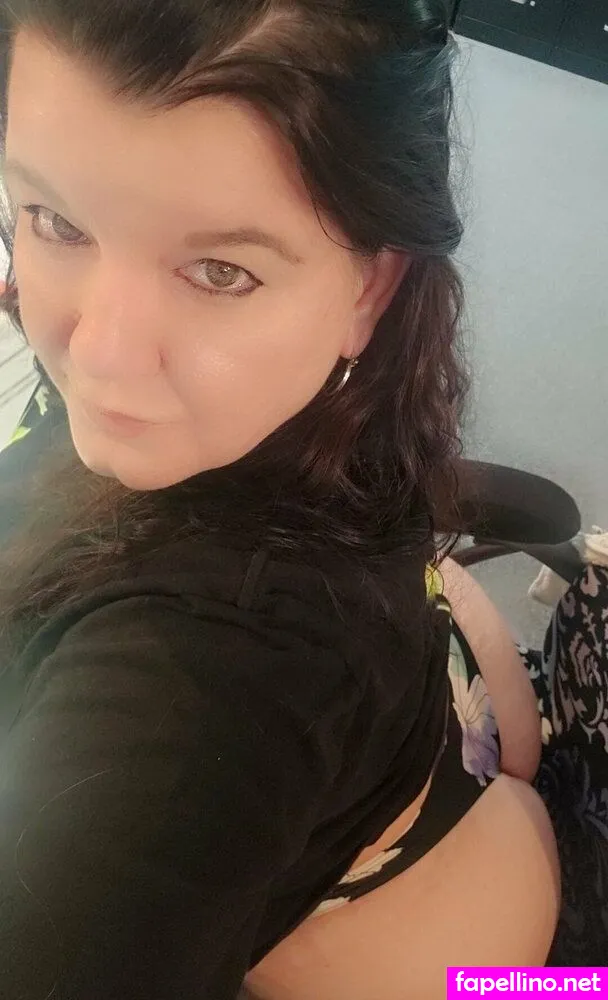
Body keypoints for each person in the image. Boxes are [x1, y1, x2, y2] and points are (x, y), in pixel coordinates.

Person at [0, 2, 603, 997]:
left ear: (369, 289)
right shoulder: (340, 400)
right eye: (56, 220)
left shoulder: (194, 691)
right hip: (469, 755)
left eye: (219, 271)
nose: (98, 356)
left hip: (507, 981)